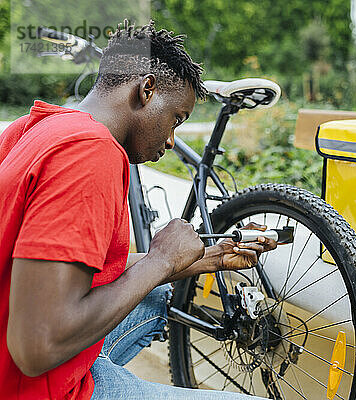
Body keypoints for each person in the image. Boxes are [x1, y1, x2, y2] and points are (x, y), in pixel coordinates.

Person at [0, 20, 274, 399]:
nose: (170, 139)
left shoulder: (29, 129)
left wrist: (207, 258)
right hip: (35, 387)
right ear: (146, 89)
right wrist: (161, 259)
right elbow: (37, 347)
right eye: (175, 119)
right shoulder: (89, 152)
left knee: (152, 297)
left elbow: (69, 271)